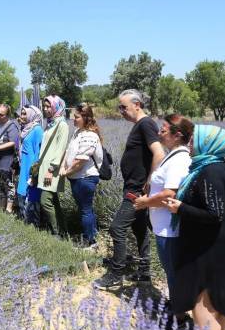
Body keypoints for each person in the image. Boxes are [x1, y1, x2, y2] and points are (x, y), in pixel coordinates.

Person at [165, 124, 225, 330]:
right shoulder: (217, 166)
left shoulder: (210, 172)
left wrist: (180, 208)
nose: (189, 143)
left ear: (208, 143)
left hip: (211, 245)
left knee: (203, 300)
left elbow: (213, 214)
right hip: (222, 242)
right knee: (219, 297)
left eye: (194, 139)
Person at [95, 89, 165, 289]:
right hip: (132, 186)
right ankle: (144, 273)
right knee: (140, 230)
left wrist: (150, 182)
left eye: (123, 107)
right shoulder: (140, 125)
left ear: (137, 105)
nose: (121, 111)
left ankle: (116, 273)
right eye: (119, 107)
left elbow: (159, 153)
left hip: (137, 189)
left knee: (117, 227)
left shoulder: (146, 124)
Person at [133, 114, 193, 301]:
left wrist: (145, 202)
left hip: (170, 228)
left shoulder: (179, 160)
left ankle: (178, 315)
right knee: (171, 271)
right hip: (163, 226)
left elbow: (170, 194)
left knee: (173, 271)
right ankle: (177, 309)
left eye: (163, 130)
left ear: (177, 135)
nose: (159, 133)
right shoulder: (172, 156)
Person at [59, 103, 103, 249]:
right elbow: (69, 152)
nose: (73, 119)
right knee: (86, 209)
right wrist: (63, 166)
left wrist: (66, 172)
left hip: (85, 178)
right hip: (78, 177)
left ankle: (90, 242)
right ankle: (92, 235)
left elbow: (81, 160)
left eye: (76, 117)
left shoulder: (90, 135)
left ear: (85, 117)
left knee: (85, 210)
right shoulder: (78, 132)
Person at [35, 95, 70, 236]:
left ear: (56, 107)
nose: (45, 109)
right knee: (54, 201)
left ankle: (55, 232)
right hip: (45, 168)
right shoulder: (51, 123)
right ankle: (63, 231)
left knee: (45, 201)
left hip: (51, 170)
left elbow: (61, 149)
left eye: (49, 106)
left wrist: (51, 169)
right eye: (44, 106)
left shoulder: (62, 125)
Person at [16, 105, 43, 226]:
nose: (22, 116)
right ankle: (25, 221)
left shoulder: (37, 130)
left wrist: (34, 174)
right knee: (22, 192)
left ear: (32, 115)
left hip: (31, 168)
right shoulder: (27, 128)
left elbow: (39, 152)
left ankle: (33, 223)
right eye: (21, 113)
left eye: (24, 114)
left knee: (31, 195)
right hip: (24, 165)